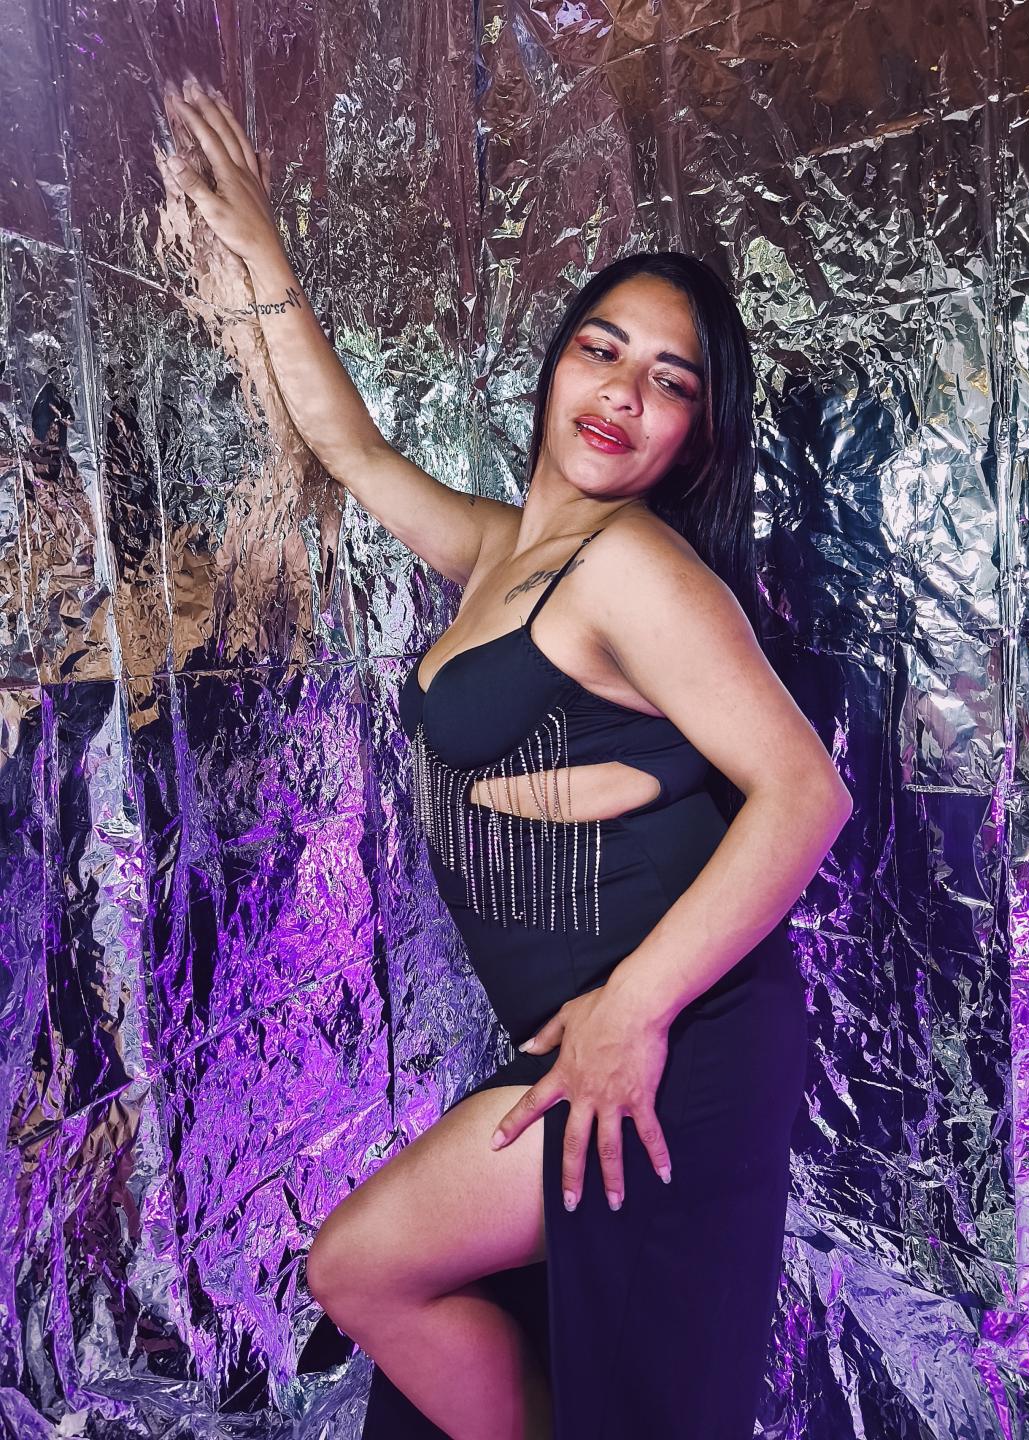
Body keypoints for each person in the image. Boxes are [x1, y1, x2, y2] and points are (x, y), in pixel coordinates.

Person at [162, 77, 853, 1440]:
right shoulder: (506, 551)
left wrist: (631, 1010)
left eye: (671, 383)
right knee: (490, 1333)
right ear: (554, 366)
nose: (624, 395)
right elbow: (352, 449)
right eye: (603, 351)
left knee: (363, 1265)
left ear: (695, 432)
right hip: (609, 1028)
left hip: (673, 1039)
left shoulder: (632, 563)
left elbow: (807, 792)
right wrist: (263, 254)